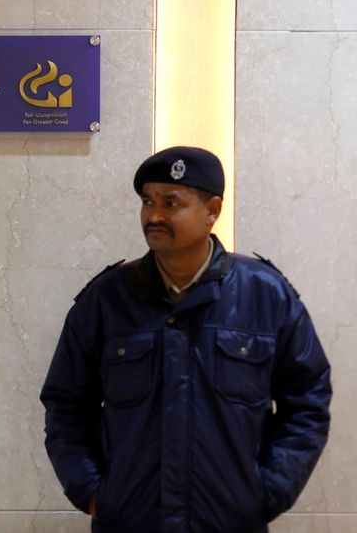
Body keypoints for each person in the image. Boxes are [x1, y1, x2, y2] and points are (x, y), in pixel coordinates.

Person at [40, 146, 332, 532]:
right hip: (130, 522)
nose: (154, 215)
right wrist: (93, 491)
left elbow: (307, 401)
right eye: (147, 201)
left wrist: (267, 491)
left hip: (229, 523)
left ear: (212, 210)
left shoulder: (266, 294)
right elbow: (66, 405)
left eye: (171, 202)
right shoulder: (108, 299)